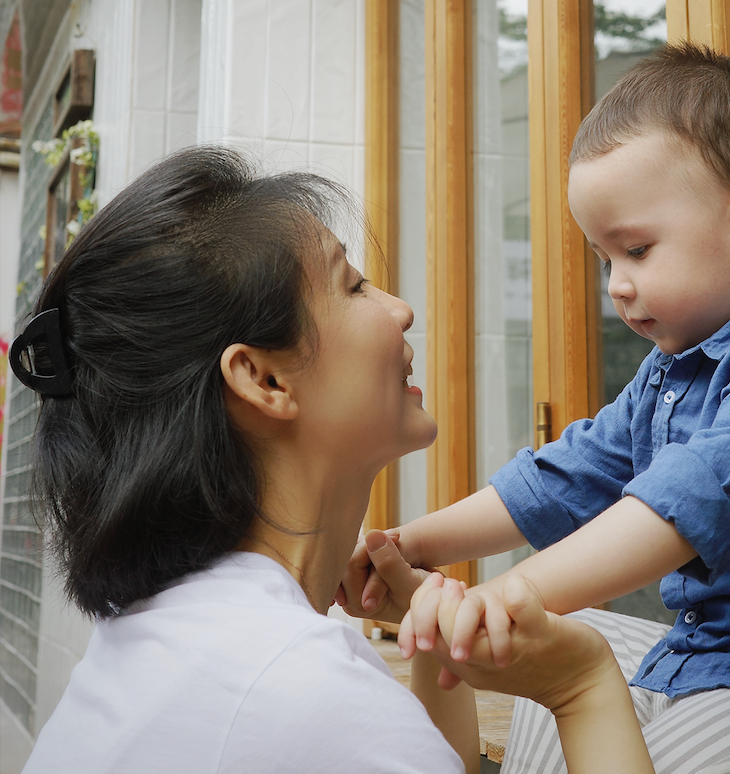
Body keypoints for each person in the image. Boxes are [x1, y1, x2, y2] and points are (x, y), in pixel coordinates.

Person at [341, 43, 730, 774]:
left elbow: (675, 509)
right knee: (538, 646)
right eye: (604, 259)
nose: (616, 287)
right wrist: (413, 546)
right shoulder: (671, 370)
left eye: (635, 249)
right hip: (713, 655)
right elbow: (563, 477)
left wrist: (505, 594)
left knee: (534, 636)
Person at [10, 145, 653, 774]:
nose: (399, 310)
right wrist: (582, 685)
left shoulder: (180, 642)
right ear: (264, 380)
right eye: (352, 285)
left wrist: (433, 647)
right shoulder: (298, 689)